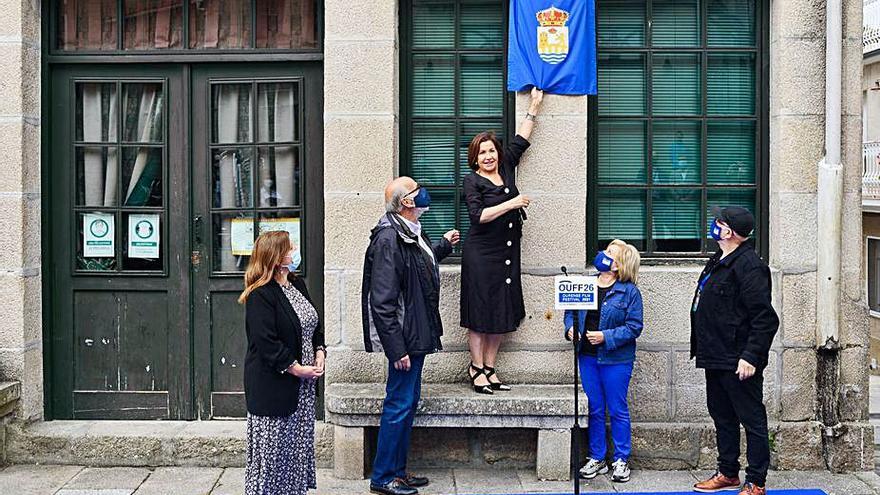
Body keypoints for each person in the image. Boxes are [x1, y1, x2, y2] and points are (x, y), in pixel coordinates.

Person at [362, 176, 460, 495]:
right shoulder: (389, 237)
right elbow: (383, 300)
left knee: (408, 401)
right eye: (417, 190)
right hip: (404, 338)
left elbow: (417, 265)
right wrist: (396, 348)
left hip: (416, 333)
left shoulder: (409, 232)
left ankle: (398, 471)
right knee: (399, 402)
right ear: (406, 202)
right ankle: (384, 476)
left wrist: (443, 246)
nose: (422, 193)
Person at [460, 87, 544, 394]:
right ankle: (476, 367)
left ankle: (490, 368)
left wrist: (534, 106)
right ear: (476, 158)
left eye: (492, 150)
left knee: (500, 311)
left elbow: (521, 139)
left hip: (507, 252)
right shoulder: (472, 181)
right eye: (482, 152)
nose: (489, 156)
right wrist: (512, 203)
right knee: (481, 313)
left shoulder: (507, 166)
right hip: (481, 253)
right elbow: (478, 216)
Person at [691, 206, 779, 495]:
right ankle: (728, 472)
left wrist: (751, 356)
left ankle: (756, 481)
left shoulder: (749, 265)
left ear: (729, 231)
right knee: (722, 415)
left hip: (738, 358)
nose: (714, 225)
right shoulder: (719, 259)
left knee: (751, 419)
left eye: (719, 222)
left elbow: (765, 318)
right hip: (715, 354)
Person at [238, 230, 325, 495]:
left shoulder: (297, 285)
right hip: (275, 385)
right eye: (290, 247)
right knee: (274, 451)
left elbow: (313, 325)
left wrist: (320, 351)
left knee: (296, 448)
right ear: (276, 257)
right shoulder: (260, 295)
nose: (295, 250)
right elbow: (266, 342)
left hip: (303, 387)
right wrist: (296, 368)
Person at [564, 239, 643, 484]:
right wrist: (569, 329)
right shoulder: (585, 284)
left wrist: (605, 337)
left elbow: (634, 327)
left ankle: (621, 459)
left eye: (610, 253)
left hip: (616, 359)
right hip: (587, 357)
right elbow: (570, 312)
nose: (602, 254)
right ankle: (596, 457)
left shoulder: (629, 291)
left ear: (618, 265)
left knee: (617, 409)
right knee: (595, 408)